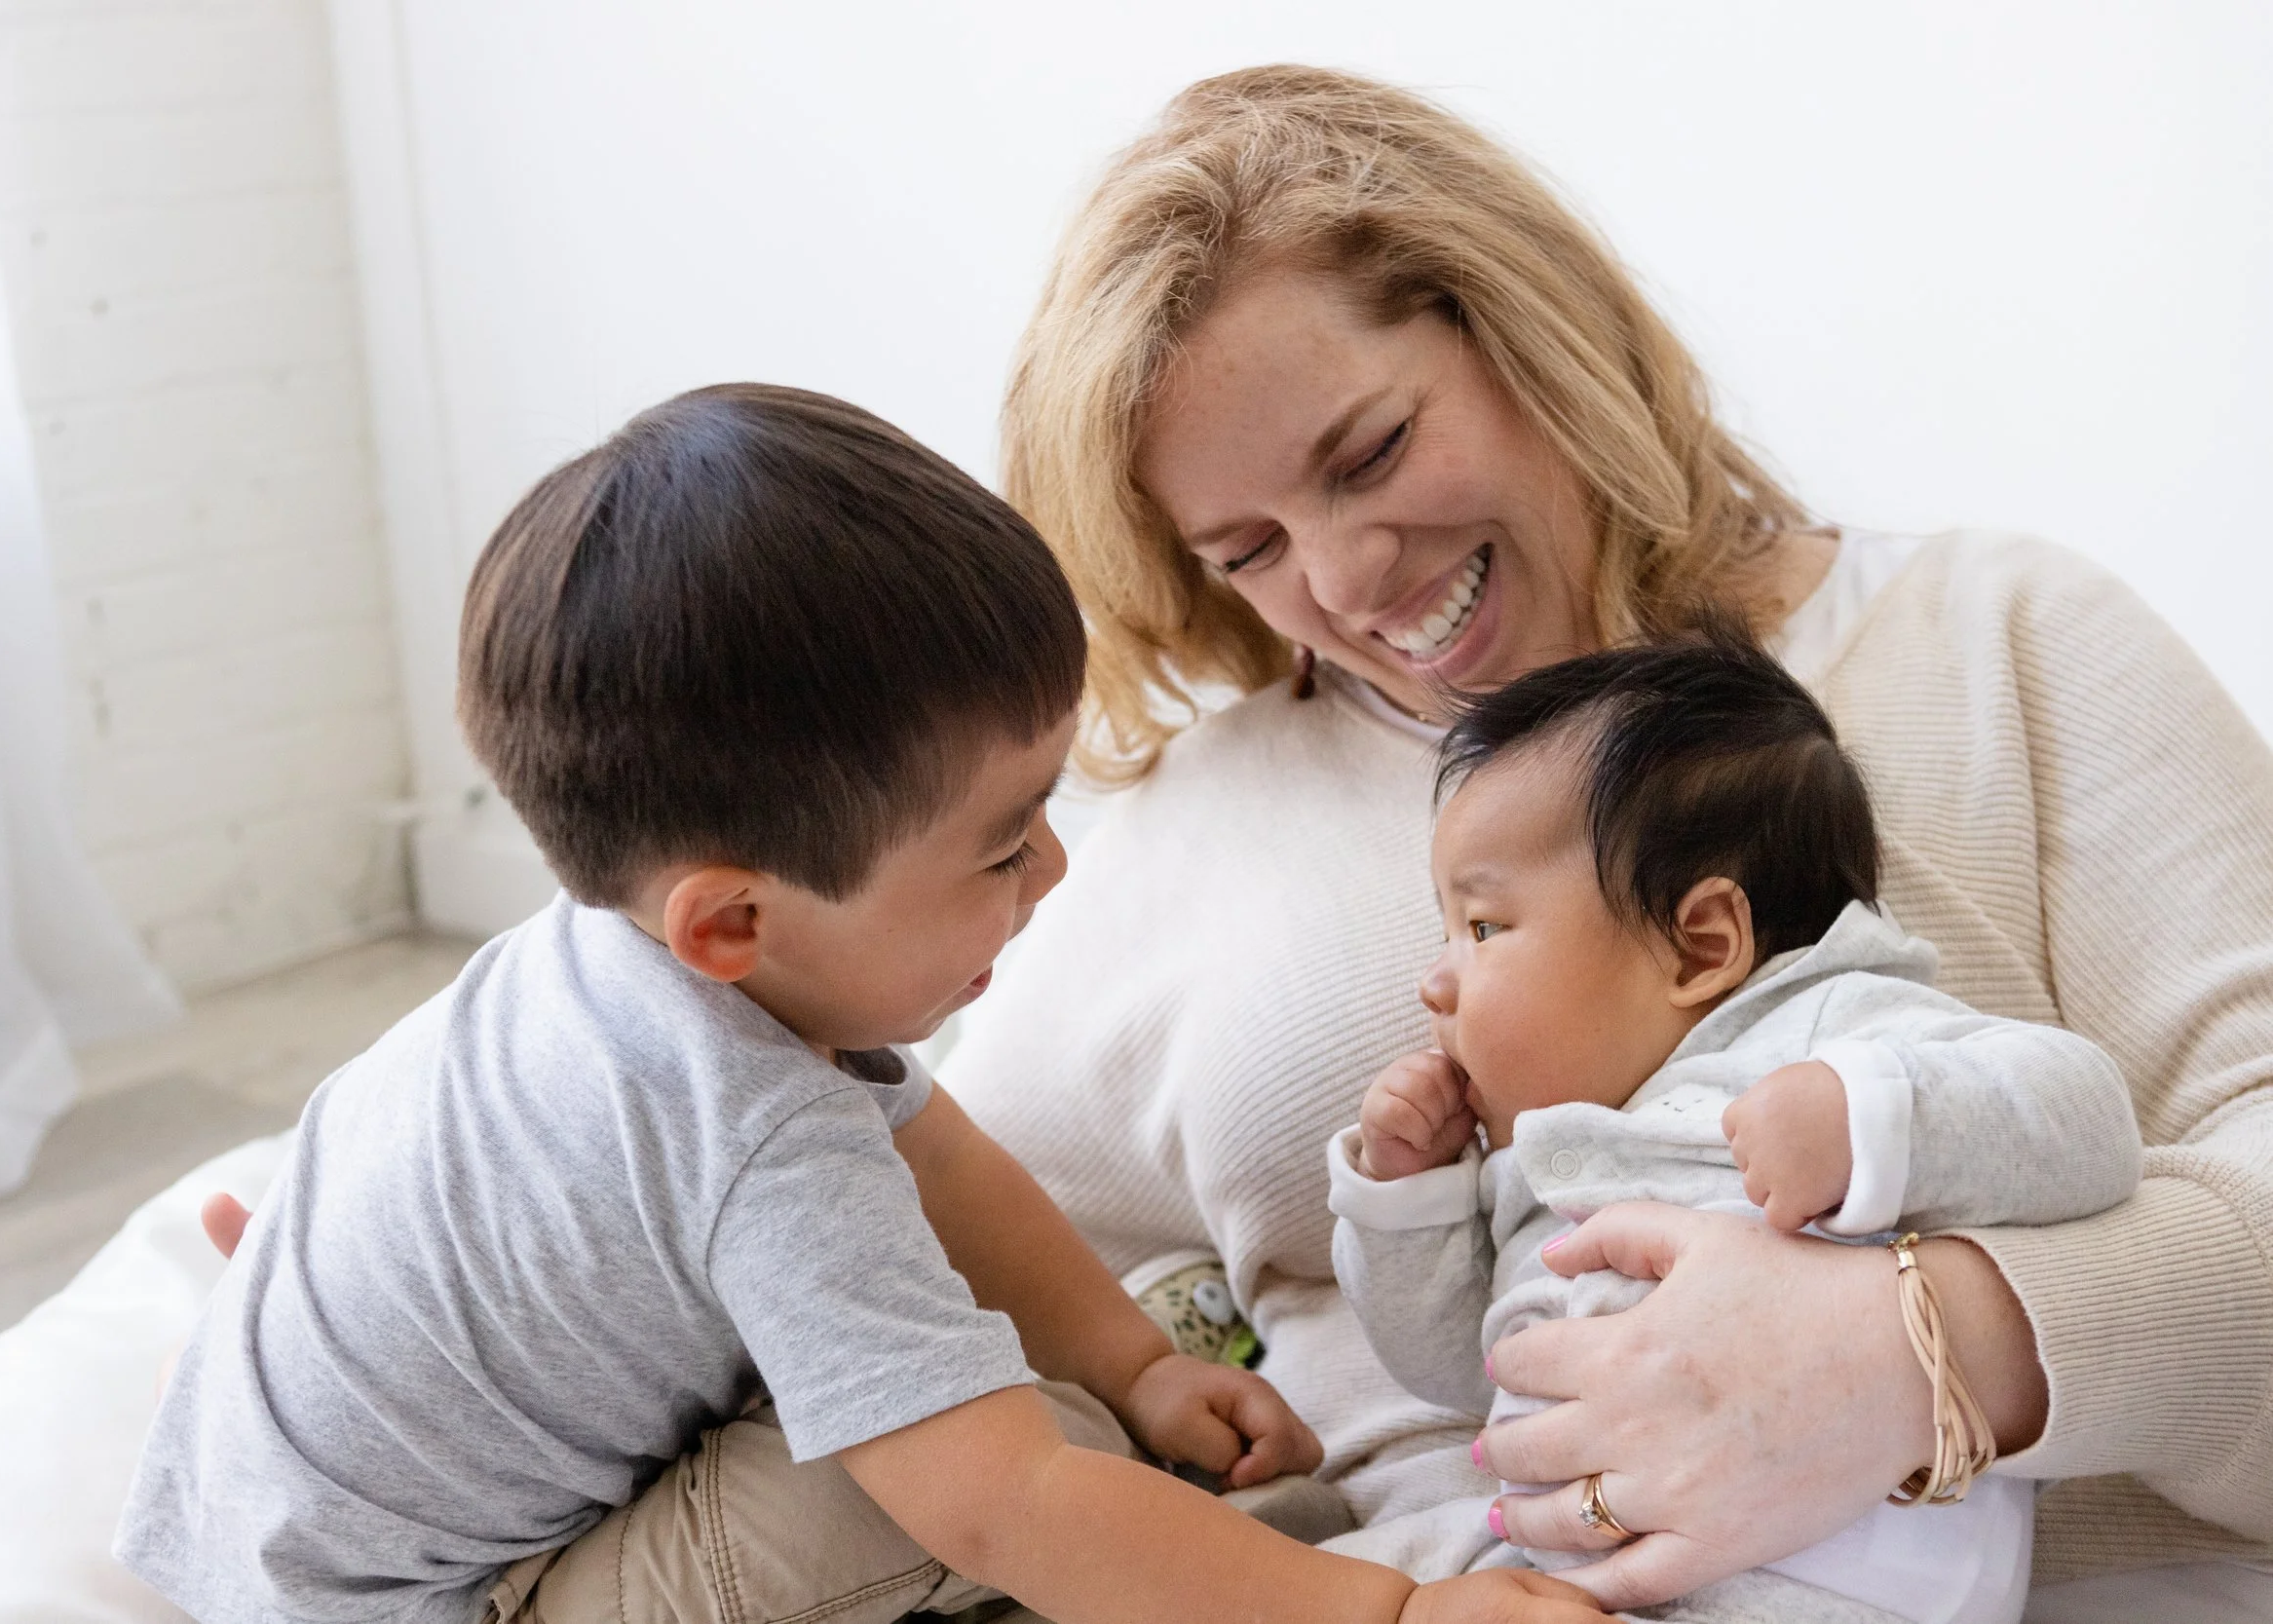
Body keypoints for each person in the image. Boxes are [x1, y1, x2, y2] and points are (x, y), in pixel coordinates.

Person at [948, 62, 2273, 1617]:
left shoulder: (2001, 639)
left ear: (1524, 330)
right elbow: (890, 1205)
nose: (1349, 580)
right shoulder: (1192, 833)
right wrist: (1191, 1378)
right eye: (1248, 548)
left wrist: (1936, 1347)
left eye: (1370, 453)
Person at [115, 385, 1604, 1624]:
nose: (1054, 866)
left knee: (1006, 1372)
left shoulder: (611, 955)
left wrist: (1142, 1360)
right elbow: (1008, 1501)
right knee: (1018, 1451)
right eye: (1002, 845)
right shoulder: (763, 1132)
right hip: (439, 1597)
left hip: (258, 1490)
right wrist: (1383, 1605)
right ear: (732, 920)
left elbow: (938, 1151)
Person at [1327, 630, 2145, 1623]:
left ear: (1700, 946)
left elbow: (2090, 1119)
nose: (1434, 980)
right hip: (1569, 1569)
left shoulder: (1829, 1030)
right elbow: (1456, 1367)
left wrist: (1868, 1120)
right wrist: (1406, 1191)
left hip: (1832, 1578)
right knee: (1342, 1574)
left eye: (1484, 927)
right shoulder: (1541, 1152)